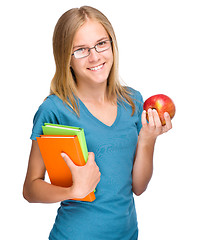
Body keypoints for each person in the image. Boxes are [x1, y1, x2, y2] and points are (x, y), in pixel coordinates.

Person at [23, 6, 172, 240]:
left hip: (128, 235)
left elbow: (138, 187)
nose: (95, 56)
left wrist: (148, 139)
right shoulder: (55, 109)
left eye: (101, 43)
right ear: (66, 58)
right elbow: (31, 189)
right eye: (81, 50)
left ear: (112, 45)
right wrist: (74, 190)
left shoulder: (133, 102)